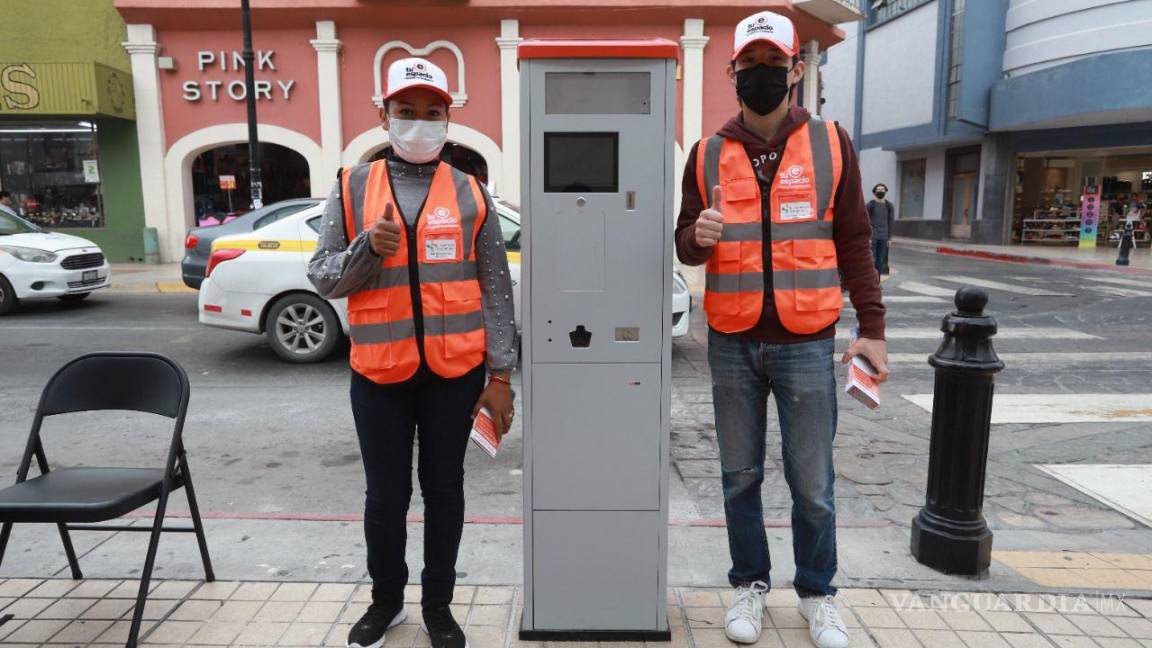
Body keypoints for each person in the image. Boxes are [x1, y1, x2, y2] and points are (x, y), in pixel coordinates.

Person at [675, 10, 889, 648]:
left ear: (796, 70)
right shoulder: (708, 152)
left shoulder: (830, 143)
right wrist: (695, 237)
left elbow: (854, 239)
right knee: (739, 473)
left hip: (806, 339)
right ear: (732, 72)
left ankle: (818, 594)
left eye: (775, 64)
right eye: (751, 65)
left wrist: (871, 327)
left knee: (812, 480)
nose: (763, 75)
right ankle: (750, 584)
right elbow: (685, 242)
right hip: (733, 340)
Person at [307, 57, 517, 648]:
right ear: (384, 116)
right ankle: (385, 602)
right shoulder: (351, 186)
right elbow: (324, 277)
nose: (419, 123)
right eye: (406, 112)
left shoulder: (473, 194)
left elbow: (496, 288)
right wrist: (364, 249)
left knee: (445, 491)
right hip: (379, 373)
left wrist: (500, 373)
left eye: (432, 113)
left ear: (449, 119)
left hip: (455, 373)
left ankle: (439, 607)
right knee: (387, 496)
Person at [866, 184, 895, 275]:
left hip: (884, 237)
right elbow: (866, 221)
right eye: (878, 189)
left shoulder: (889, 205)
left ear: (885, 191)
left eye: (882, 189)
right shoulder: (870, 205)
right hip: (873, 237)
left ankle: (877, 283)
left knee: (880, 262)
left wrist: (890, 238)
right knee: (871, 261)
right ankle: (871, 282)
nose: (881, 191)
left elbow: (890, 222)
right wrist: (868, 238)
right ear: (875, 192)